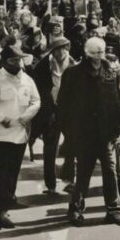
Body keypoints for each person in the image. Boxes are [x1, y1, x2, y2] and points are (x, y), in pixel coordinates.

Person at [58, 37, 120, 227]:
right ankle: (75, 210)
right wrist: (68, 132)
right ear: (87, 53)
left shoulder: (111, 72)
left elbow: (117, 102)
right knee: (83, 173)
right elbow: (63, 106)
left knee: (111, 171)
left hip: (107, 133)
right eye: (96, 52)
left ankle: (113, 211)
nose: (99, 56)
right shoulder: (73, 73)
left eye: (102, 52)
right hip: (84, 133)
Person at [0, 43, 41, 230]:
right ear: (5, 62)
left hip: (18, 133)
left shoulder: (27, 80)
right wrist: (2, 118)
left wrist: (26, 116)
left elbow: (36, 101)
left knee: (12, 173)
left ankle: (3, 210)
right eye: (14, 60)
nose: (18, 64)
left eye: (19, 60)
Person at [30, 36, 72, 195]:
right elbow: (38, 89)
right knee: (50, 148)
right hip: (49, 111)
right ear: (52, 51)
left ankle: (70, 181)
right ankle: (51, 185)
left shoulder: (74, 65)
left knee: (72, 147)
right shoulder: (42, 66)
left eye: (63, 48)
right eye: (57, 49)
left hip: (68, 111)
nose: (60, 52)